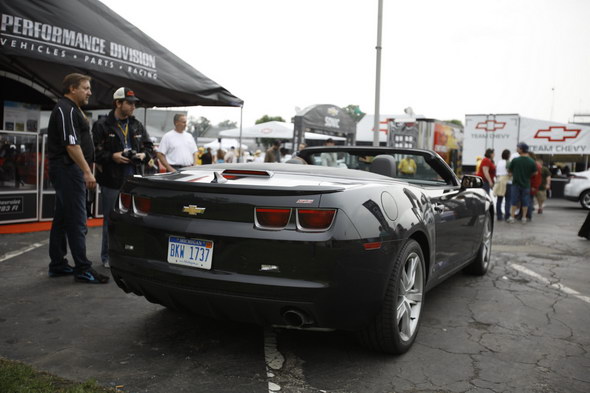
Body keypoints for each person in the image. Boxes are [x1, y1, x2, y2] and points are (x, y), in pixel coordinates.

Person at [46, 73, 108, 284]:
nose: (90, 92)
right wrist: (87, 171)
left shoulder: (72, 109)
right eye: (86, 88)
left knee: (63, 218)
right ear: (73, 88)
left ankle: (58, 264)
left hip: (69, 170)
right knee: (77, 220)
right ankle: (83, 268)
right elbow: (71, 145)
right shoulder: (65, 109)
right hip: (67, 169)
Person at [93, 87, 154, 268]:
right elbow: (94, 153)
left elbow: (150, 148)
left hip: (134, 178)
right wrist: (112, 156)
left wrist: (145, 156)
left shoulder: (136, 125)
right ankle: (108, 256)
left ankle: (132, 255)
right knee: (111, 219)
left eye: (134, 103)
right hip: (111, 180)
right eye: (129, 103)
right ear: (118, 103)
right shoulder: (102, 124)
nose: (133, 106)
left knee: (136, 220)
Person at [507, 142, 537, 224]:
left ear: (521, 149)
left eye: (518, 148)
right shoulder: (531, 161)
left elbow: (509, 172)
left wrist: (515, 173)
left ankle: (512, 217)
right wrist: (527, 175)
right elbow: (535, 173)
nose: (517, 149)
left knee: (513, 200)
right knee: (525, 201)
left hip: (515, 183)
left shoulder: (515, 160)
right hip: (526, 184)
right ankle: (524, 217)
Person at [493, 149, 511, 220]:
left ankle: (499, 216)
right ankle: (507, 216)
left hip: (498, 180)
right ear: (508, 155)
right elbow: (509, 172)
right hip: (506, 181)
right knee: (508, 199)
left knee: (499, 199)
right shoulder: (508, 162)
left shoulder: (499, 162)